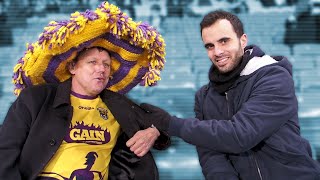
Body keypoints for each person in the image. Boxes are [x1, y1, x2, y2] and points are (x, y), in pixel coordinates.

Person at [130, 10, 320, 179]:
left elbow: (241, 134)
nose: (217, 51)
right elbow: (210, 153)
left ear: (242, 40)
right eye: (209, 46)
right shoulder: (204, 96)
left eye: (224, 41)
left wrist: (170, 124)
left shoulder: (273, 76)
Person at [0, 2, 169, 179]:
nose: (101, 69)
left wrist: (153, 131)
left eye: (106, 65)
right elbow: (5, 152)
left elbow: (161, 123)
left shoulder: (119, 106)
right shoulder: (36, 99)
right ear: (72, 67)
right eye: (92, 62)